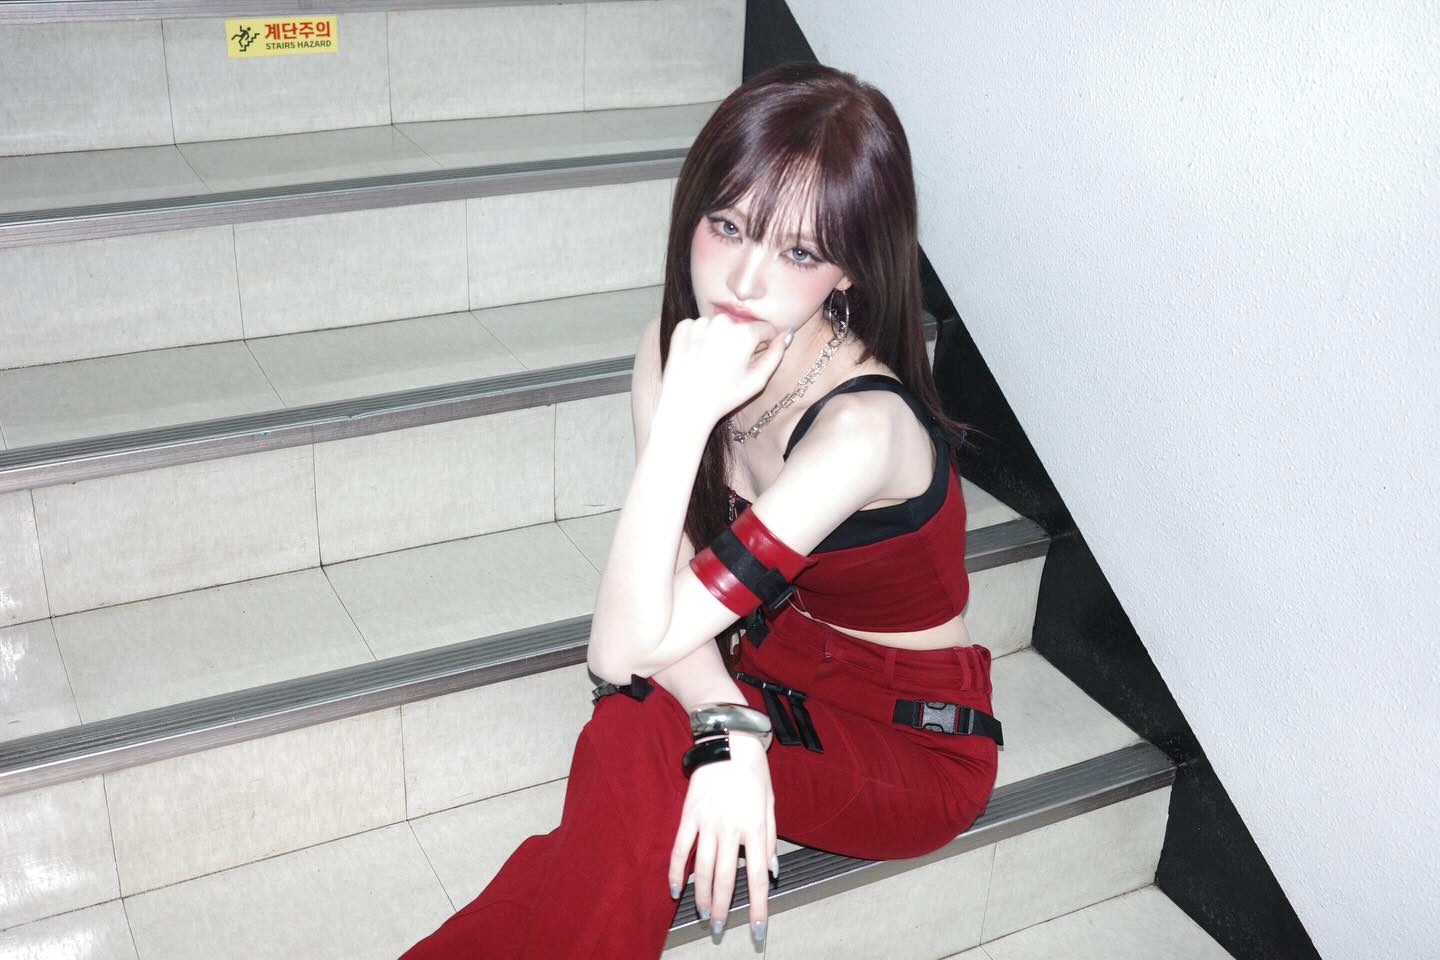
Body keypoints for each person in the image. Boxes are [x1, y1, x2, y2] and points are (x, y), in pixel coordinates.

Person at [398, 60, 1002, 960]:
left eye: (799, 253)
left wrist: (684, 419)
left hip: (907, 740)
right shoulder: (674, 347)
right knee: (633, 745)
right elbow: (650, 608)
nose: (745, 281)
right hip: (766, 664)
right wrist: (726, 720)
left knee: (632, 723)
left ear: (845, 271)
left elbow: (618, 651)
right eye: (728, 226)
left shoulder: (863, 431)